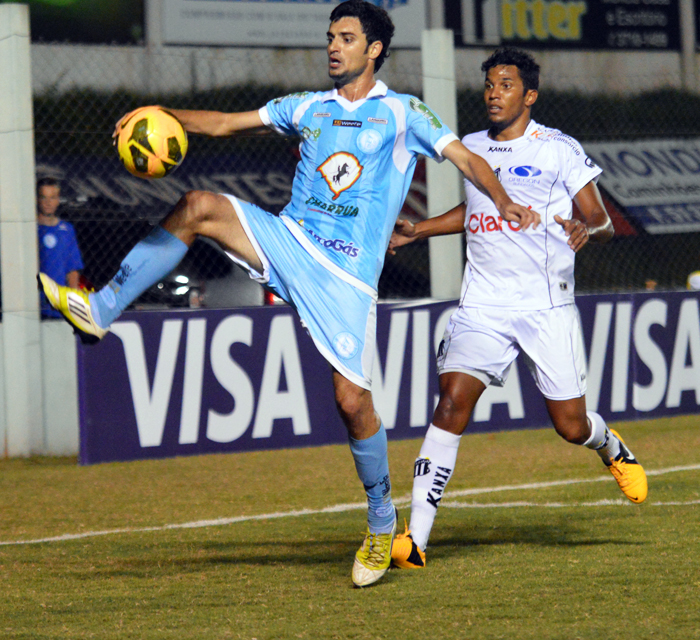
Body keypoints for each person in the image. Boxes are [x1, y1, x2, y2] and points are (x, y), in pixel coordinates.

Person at [38, 2, 538, 587]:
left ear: (373, 49)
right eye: (330, 37)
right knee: (198, 206)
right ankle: (100, 309)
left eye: (347, 38)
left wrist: (501, 199)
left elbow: (467, 158)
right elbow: (224, 124)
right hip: (288, 240)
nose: (333, 47)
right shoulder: (308, 107)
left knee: (352, 404)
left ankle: (381, 521)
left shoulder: (403, 114)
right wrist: (163, 112)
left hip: (345, 278)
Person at [388, 48, 648, 570]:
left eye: (505, 84)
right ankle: (414, 539)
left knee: (570, 426)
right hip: (483, 303)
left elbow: (600, 217)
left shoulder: (558, 149)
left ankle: (608, 444)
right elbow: (474, 210)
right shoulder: (474, 149)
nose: (492, 93)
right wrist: (420, 229)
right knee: (451, 402)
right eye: (488, 84)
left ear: (529, 95)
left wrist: (585, 227)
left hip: (545, 305)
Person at [36, 177, 84, 319]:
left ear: (58, 200)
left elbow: (72, 269)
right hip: (35, 305)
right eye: (43, 197)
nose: (48, 202)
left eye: (53, 197)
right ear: (37, 199)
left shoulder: (67, 230)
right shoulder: (30, 228)